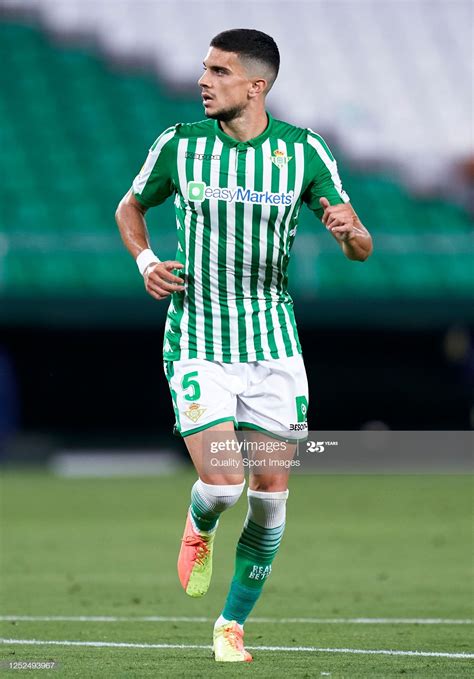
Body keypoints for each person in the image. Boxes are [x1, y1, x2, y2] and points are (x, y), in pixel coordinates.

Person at [115, 28, 373, 663]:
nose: (204, 80)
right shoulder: (179, 146)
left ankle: (231, 624)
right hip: (200, 340)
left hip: (274, 350)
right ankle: (199, 524)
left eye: (220, 72)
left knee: (270, 500)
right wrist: (146, 259)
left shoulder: (304, 152)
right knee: (224, 485)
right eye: (205, 69)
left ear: (257, 86)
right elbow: (129, 207)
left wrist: (350, 230)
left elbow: (359, 245)